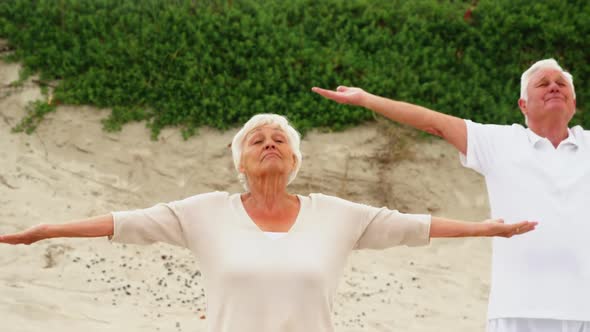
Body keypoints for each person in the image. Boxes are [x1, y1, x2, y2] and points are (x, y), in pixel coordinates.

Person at [0, 113, 536, 332]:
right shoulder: (203, 213)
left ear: (296, 161)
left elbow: (414, 225)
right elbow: (121, 221)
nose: (270, 143)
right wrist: (45, 230)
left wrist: (486, 228)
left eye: (280, 138)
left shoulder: (336, 216)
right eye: (257, 139)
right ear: (240, 162)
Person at [312, 58, 589, 332]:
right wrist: (367, 99)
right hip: (517, 307)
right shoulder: (500, 142)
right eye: (543, 83)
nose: (554, 87)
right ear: (523, 105)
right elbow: (434, 122)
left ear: (573, 104)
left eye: (561, 83)